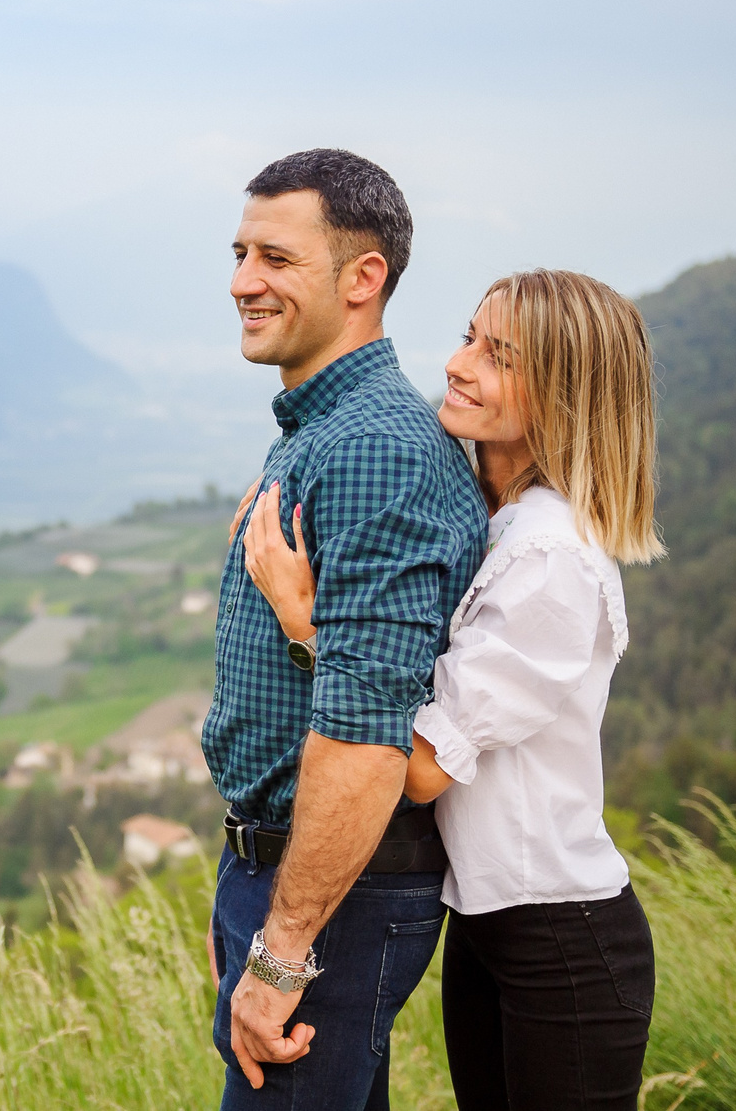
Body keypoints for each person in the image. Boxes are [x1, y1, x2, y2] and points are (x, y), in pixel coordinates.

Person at [244, 268, 663, 1110]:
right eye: (471, 337)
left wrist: (304, 622)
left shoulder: (550, 556)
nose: (458, 364)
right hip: (486, 924)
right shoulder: (495, 518)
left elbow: (423, 768)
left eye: (499, 357)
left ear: (565, 396)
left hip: (561, 940)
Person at [204, 149, 487, 1109]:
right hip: (300, 879)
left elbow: (366, 733)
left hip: (333, 896)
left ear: (363, 278)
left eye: (276, 258)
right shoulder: (328, 430)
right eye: (240, 254)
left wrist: (282, 952)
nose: (243, 282)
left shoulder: (372, 449)